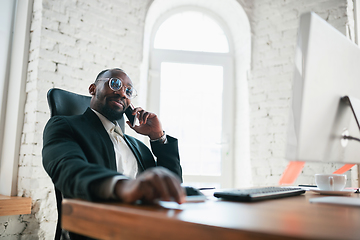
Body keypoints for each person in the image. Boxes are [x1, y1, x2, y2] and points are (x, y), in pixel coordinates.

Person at [42, 68, 185, 240]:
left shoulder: (138, 146)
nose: (123, 93)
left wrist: (158, 136)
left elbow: (171, 186)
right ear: (93, 89)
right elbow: (68, 170)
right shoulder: (65, 126)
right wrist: (123, 186)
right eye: (115, 84)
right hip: (98, 232)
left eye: (129, 91)